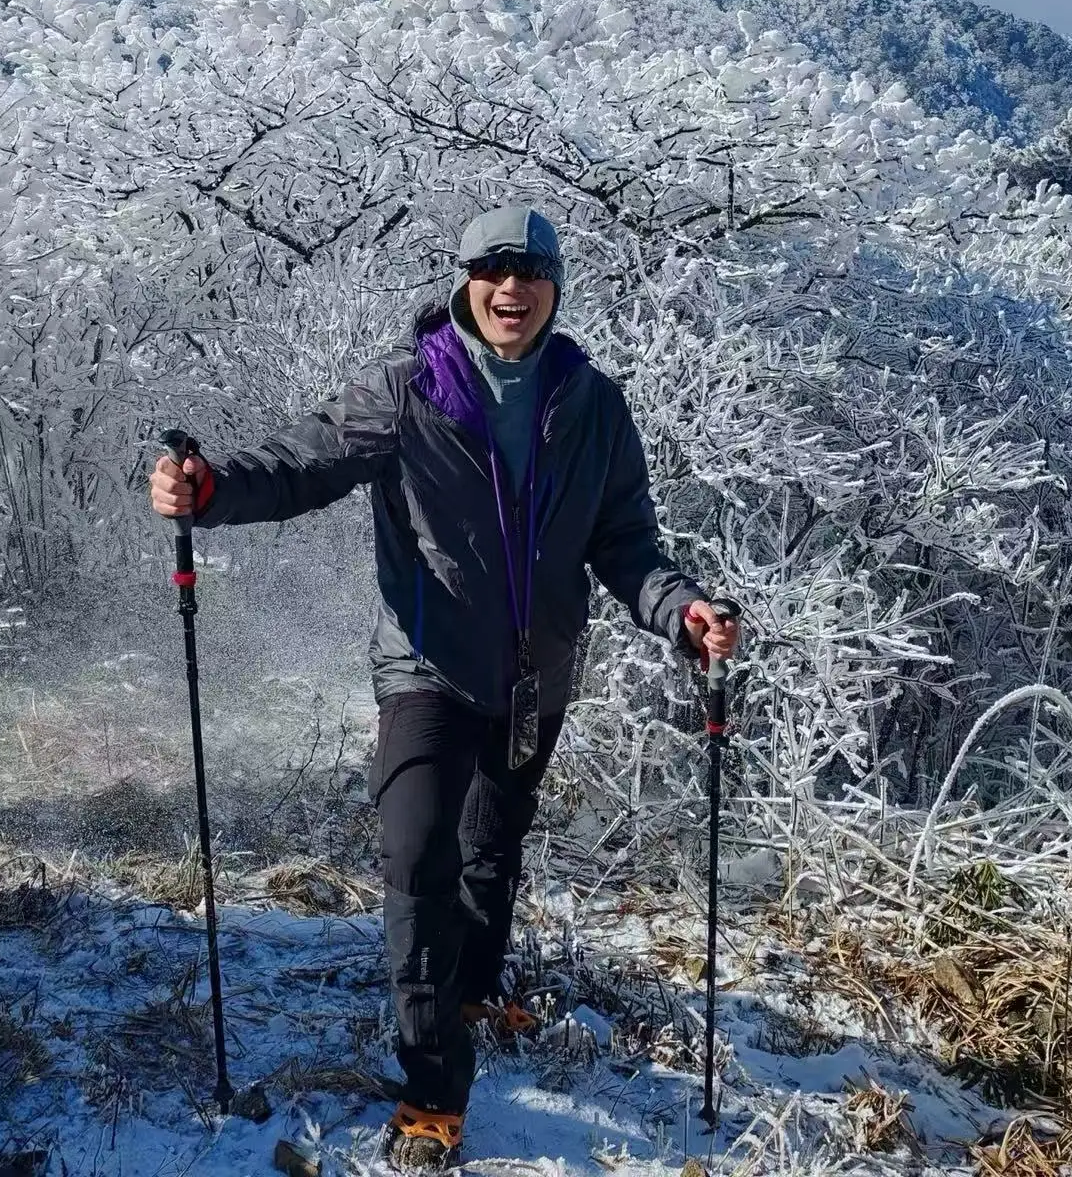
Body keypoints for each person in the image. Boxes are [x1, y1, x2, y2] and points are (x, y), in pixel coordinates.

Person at [150, 205, 738, 1173]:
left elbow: (623, 540)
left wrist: (681, 608)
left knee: (491, 842)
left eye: (530, 271)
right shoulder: (406, 389)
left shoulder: (591, 401)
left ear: (553, 286)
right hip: (424, 664)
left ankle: (470, 988)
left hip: (537, 672)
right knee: (417, 852)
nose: (511, 287)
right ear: (465, 281)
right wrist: (208, 489)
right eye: (492, 269)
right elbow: (301, 464)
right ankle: (432, 1089)